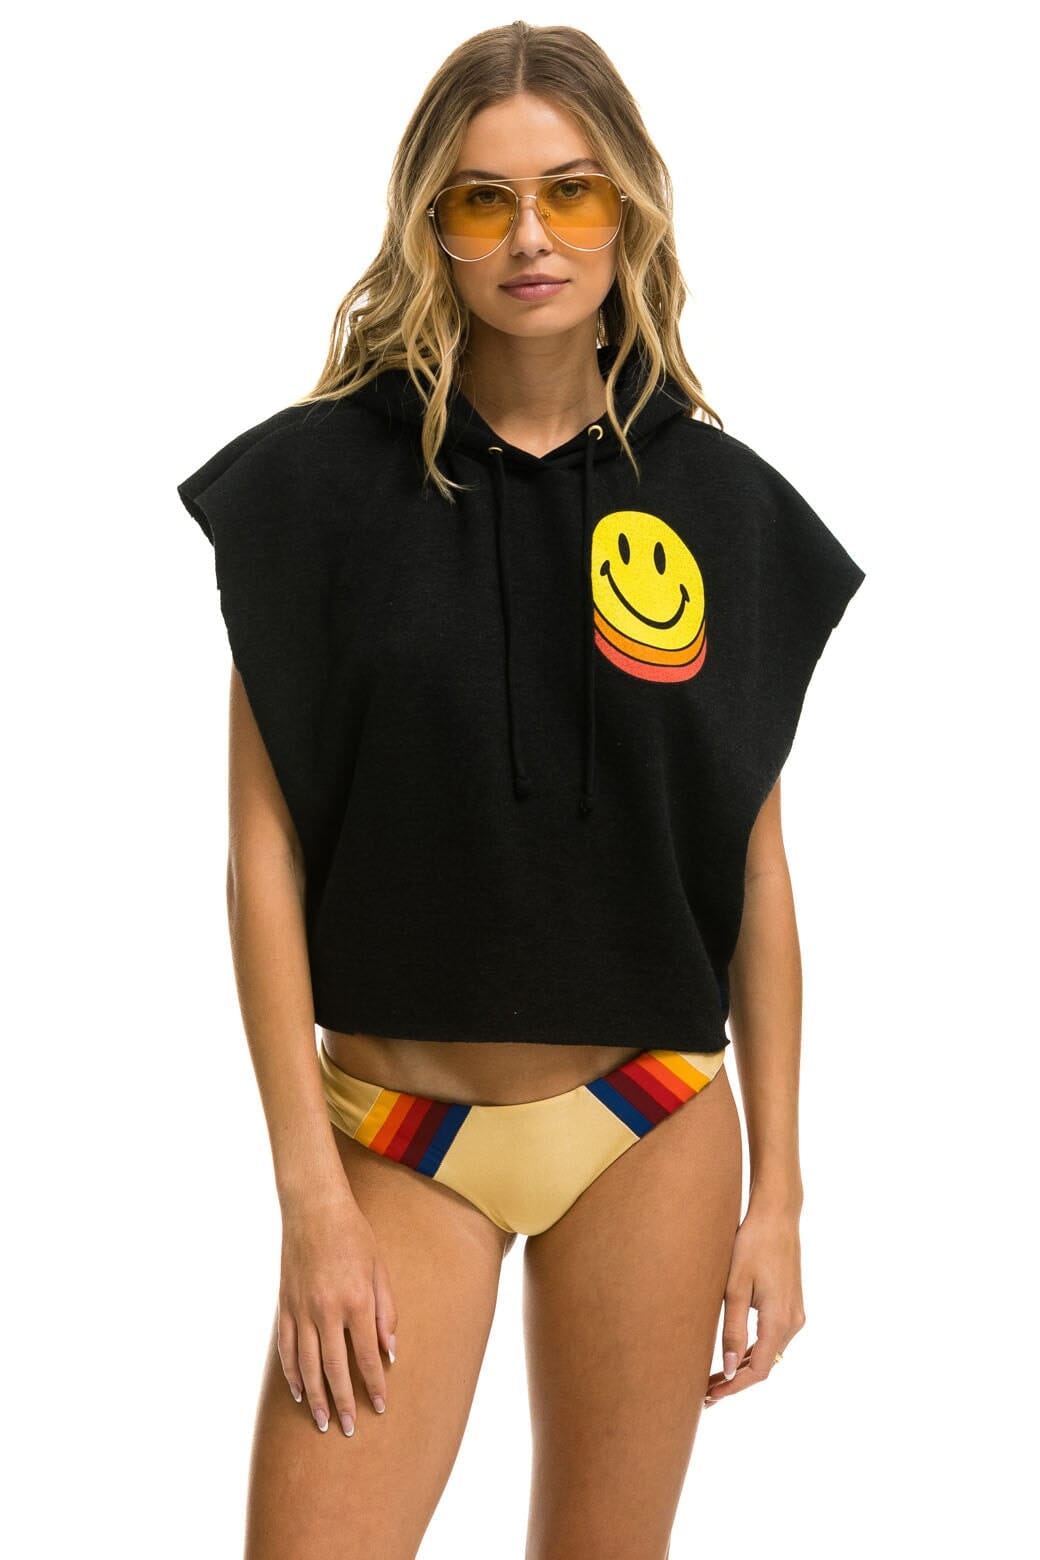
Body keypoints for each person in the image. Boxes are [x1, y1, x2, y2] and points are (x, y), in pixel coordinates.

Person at [177, 21, 865, 1560]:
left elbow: (755, 867)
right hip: (398, 1132)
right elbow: (261, 857)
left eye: (573, 192)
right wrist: (309, 1198)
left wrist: (781, 1194)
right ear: (434, 228)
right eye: (484, 201)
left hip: (653, 1122)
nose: (532, 237)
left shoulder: (723, 508)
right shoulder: (318, 492)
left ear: (631, 212)